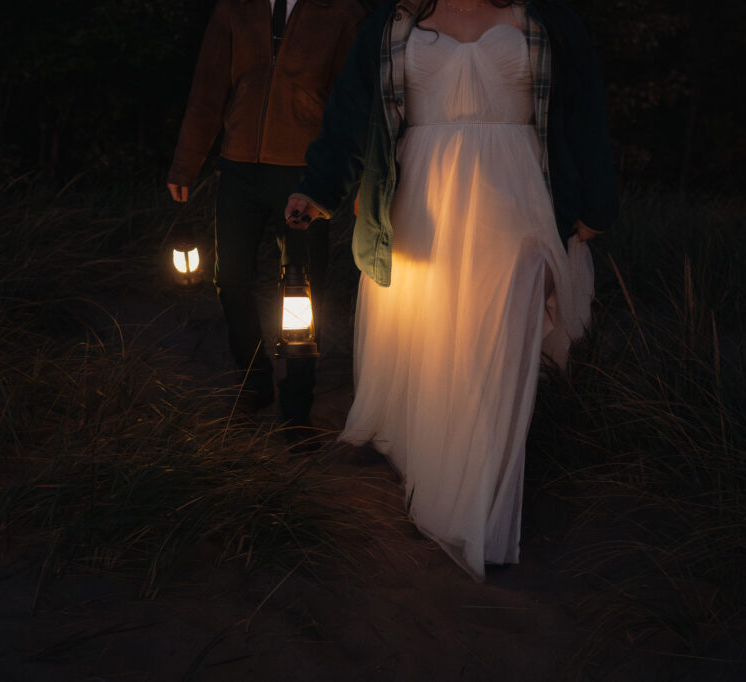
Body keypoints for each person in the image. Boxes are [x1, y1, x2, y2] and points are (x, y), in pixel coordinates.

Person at [285, 0, 618, 580]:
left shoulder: (547, 22)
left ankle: (477, 507)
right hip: (422, 199)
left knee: (499, 346)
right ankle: (435, 474)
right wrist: (319, 188)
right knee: (437, 344)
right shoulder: (394, 23)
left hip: (519, 198)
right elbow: (350, 114)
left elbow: (584, 112)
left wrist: (596, 204)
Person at [167, 0, 365, 432]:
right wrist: (186, 161)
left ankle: (296, 407)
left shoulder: (340, 12)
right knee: (230, 278)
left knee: (302, 289)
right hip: (238, 167)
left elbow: (350, 102)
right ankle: (255, 384)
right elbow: (208, 87)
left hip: (304, 173)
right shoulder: (234, 8)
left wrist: (357, 174)